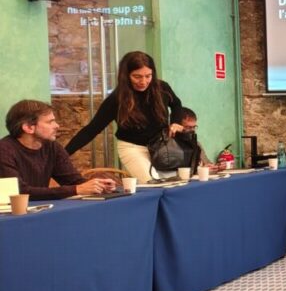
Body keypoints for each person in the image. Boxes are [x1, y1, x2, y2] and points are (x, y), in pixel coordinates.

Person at [65, 51, 184, 182]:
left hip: (162, 146)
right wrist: (63, 154)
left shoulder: (162, 88)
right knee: (151, 182)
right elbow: (91, 130)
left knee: (174, 184)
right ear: (126, 75)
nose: (143, 81)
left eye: (148, 76)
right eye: (137, 76)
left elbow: (176, 104)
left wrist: (176, 122)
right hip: (133, 148)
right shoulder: (116, 99)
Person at [0, 100, 116, 199]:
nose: (57, 126)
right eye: (50, 122)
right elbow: (19, 191)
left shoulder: (52, 147)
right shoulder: (4, 150)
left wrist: (98, 185)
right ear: (29, 128)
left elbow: (72, 181)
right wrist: (76, 189)